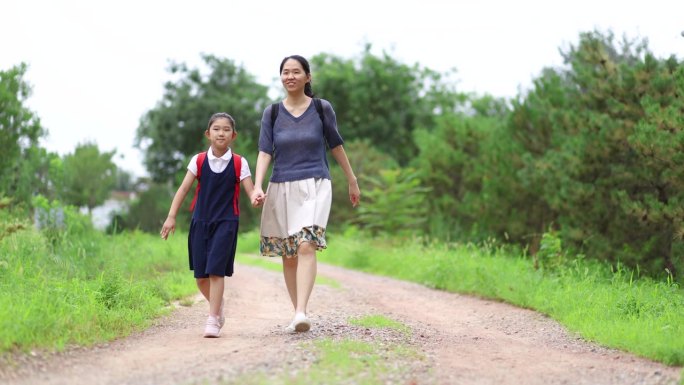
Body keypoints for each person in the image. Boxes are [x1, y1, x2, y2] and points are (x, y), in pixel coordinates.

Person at [251, 55, 361, 333]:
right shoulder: (272, 113)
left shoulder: (322, 109)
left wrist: (352, 180)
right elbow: (265, 151)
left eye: (296, 72)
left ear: (307, 77)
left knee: (305, 245)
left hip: (315, 184)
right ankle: (297, 312)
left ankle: (301, 311)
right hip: (281, 186)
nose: (290, 76)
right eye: (285, 72)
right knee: (289, 253)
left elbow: (336, 145)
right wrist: (258, 185)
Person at [160, 112, 256, 338]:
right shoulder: (199, 160)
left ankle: (212, 319)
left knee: (216, 271)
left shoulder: (240, 163)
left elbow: (250, 191)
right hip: (200, 221)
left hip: (226, 222)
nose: (221, 133)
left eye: (226, 129)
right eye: (216, 129)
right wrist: (171, 216)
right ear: (208, 134)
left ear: (233, 135)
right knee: (200, 277)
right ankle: (218, 306)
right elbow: (183, 189)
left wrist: (257, 197)